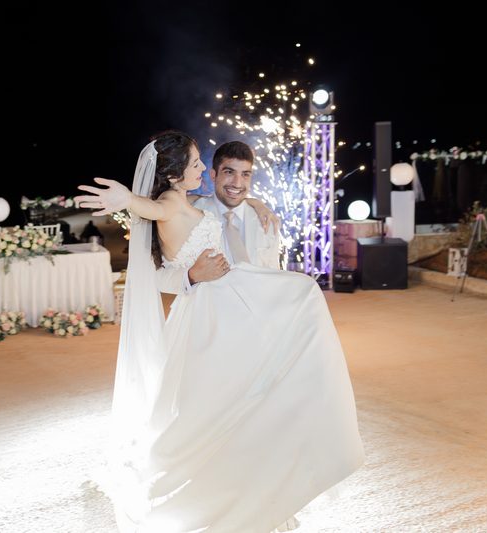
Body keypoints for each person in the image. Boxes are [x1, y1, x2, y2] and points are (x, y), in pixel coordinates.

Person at [75, 131, 364, 533]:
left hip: (241, 298)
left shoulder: (230, 209)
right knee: (217, 399)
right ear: (178, 174)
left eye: (245, 175)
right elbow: (153, 212)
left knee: (279, 356)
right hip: (212, 308)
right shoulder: (173, 202)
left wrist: (256, 203)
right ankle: (222, 490)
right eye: (199, 164)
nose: (205, 171)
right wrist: (126, 200)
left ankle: (269, 477)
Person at [156, 140, 280, 295]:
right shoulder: (186, 212)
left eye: (245, 174)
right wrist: (191, 276)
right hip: (206, 307)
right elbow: (156, 277)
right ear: (213, 175)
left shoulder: (267, 220)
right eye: (229, 172)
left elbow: (274, 276)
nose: (237, 183)